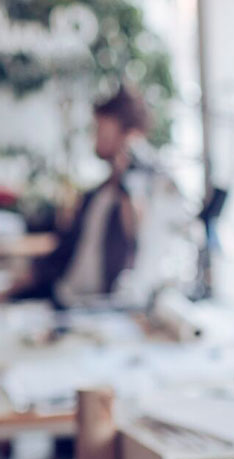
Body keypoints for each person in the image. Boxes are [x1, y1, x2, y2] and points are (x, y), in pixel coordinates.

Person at [10, 85, 177, 307]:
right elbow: (64, 253)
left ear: (130, 135)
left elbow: (140, 241)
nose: (94, 137)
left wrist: (129, 176)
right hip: (63, 298)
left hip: (104, 308)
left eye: (101, 129)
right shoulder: (96, 195)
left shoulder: (149, 191)